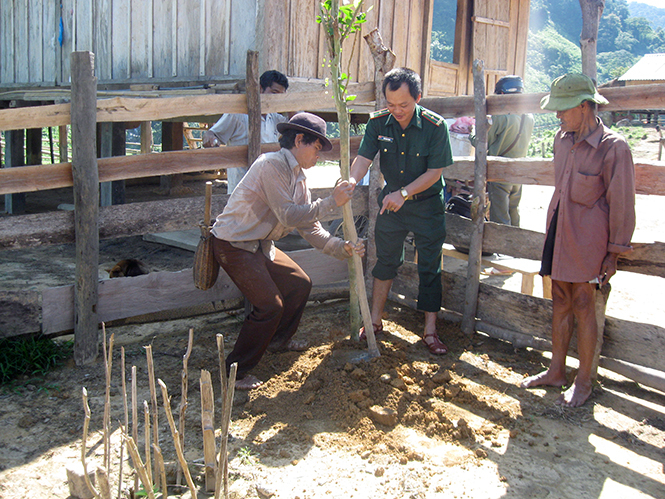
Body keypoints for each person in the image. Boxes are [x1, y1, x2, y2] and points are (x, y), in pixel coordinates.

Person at [211, 112, 364, 390]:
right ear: (299, 140)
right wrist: (332, 201)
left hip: (258, 245)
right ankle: (235, 371)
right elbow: (289, 216)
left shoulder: (299, 178)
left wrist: (340, 248)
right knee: (270, 306)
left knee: (299, 284)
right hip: (233, 243)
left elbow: (309, 226)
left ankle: (279, 340)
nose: (318, 155)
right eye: (316, 148)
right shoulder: (271, 165)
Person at [521, 73, 636, 407]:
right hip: (560, 230)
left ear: (584, 106)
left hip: (590, 238)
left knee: (584, 303)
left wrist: (614, 253)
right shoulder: (561, 139)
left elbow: (622, 203)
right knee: (559, 297)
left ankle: (584, 381)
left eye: (563, 109)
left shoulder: (613, 147)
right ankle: (556, 371)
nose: (558, 116)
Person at [349, 67, 453, 355]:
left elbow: (435, 172)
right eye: (391, 104)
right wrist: (350, 180)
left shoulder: (435, 126)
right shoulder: (379, 123)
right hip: (391, 205)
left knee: (430, 267)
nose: (397, 110)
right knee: (385, 261)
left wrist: (405, 193)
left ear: (418, 98)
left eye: (404, 105)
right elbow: (363, 158)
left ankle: (430, 331)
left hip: (426, 206)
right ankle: (374, 321)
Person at [202, 70, 290, 192]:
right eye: (273, 93)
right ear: (260, 89)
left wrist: (289, 102)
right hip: (241, 190)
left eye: (281, 96)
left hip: (267, 190)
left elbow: (298, 123)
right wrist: (210, 139)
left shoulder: (275, 118)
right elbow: (212, 134)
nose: (275, 99)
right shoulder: (237, 115)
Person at [469, 75, 534, 226]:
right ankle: (514, 246)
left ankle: (500, 249)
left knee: (500, 218)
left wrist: (472, 131)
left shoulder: (500, 117)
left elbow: (480, 142)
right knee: (514, 212)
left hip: (500, 174)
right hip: (519, 173)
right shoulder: (529, 116)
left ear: (502, 94)